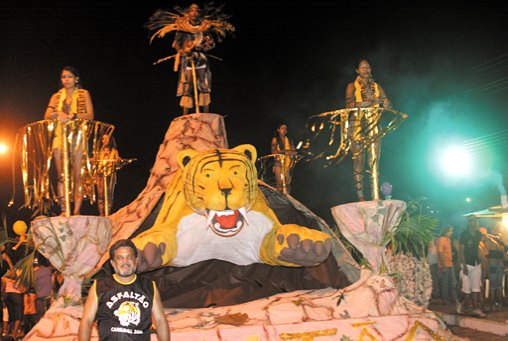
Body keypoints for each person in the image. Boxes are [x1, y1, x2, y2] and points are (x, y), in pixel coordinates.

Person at [146, 3, 234, 115]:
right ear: (188, 14)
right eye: (192, 11)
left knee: (203, 83)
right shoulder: (182, 29)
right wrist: (184, 51)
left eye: (196, 11)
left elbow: (210, 43)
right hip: (187, 58)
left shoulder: (204, 29)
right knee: (187, 84)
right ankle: (185, 115)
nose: (194, 13)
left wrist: (204, 46)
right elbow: (177, 44)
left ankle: (205, 113)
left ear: (199, 14)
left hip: (201, 58)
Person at [78, 239, 170, 341]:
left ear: (136, 260)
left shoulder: (149, 286)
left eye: (129, 257)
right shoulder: (99, 287)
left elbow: (160, 320)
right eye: (120, 258)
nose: (125, 261)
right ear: (113, 263)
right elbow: (87, 321)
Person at [44, 66, 94, 216]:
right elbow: (47, 115)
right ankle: (64, 209)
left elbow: (90, 115)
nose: (66, 80)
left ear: (76, 78)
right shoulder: (56, 96)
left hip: (78, 135)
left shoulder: (84, 94)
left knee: (78, 175)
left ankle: (77, 210)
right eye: (64, 77)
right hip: (60, 137)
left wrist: (73, 115)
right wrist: (58, 112)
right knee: (61, 175)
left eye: (69, 76)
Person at [345, 59, 393, 201]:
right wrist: (366, 103)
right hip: (356, 125)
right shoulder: (351, 86)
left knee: (374, 160)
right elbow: (348, 105)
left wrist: (386, 102)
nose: (366, 69)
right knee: (358, 160)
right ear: (357, 71)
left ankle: (375, 195)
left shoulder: (377, 86)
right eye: (362, 67)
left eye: (368, 66)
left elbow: (388, 104)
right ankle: (360, 196)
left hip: (373, 125)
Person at [456, 217, 486, 317]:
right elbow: (461, 251)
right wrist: (464, 265)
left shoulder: (478, 234)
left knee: (476, 288)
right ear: (469, 223)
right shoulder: (464, 234)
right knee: (466, 290)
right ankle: (459, 302)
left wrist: (482, 261)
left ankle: (476, 309)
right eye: (473, 222)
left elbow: (477, 248)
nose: (474, 224)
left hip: (476, 264)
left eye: (476, 222)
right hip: (467, 264)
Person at [482, 224, 507, 311]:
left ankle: (492, 304)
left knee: (492, 286)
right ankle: (499, 304)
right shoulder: (502, 246)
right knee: (499, 286)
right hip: (500, 266)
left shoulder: (489, 243)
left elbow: (486, 255)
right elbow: (505, 258)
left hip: (492, 265)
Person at [96, 133, 121, 216]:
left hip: (110, 174)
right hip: (100, 174)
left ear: (110, 140)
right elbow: (95, 160)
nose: (105, 140)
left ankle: (107, 213)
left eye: (106, 138)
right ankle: (101, 213)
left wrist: (118, 160)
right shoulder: (99, 151)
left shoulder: (114, 151)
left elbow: (118, 161)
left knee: (109, 194)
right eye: (103, 139)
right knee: (100, 194)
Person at [271, 123, 297, 194]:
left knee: (287, 186)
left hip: (288, 164)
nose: (284, 130)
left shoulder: (289, 140)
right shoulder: (275, 139)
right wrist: (286, 152)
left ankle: (287, 200)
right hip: (278, 163)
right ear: (278, 130)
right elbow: (273, 152)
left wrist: (291, 153)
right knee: (279, 186)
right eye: (282, 128)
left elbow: (294, 152)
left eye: (286, 128)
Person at [436, 225, 457, 305]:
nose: (451, 233)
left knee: (452, 282)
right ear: (446, 231)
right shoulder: (441, 240)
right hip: (444, 265)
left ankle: (453, 299)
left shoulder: (448, 240)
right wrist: (443, 265)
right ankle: (445, 299)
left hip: (450, 263)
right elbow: (440, 253)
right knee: (445, 283)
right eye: (450, 231)